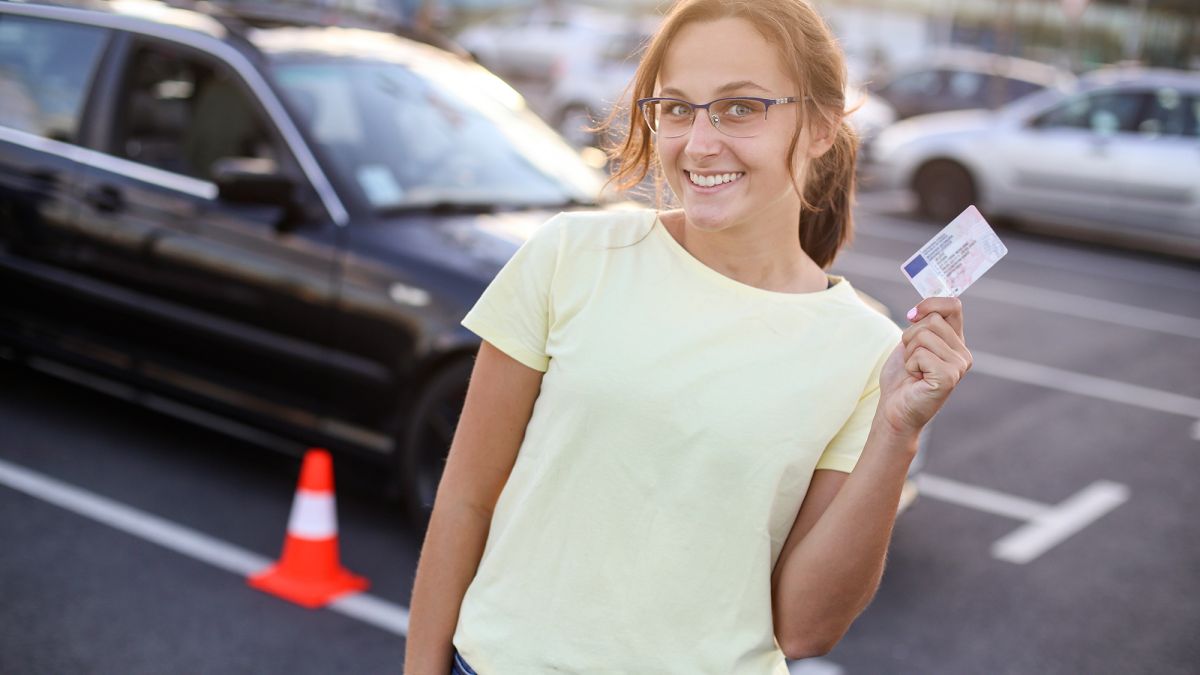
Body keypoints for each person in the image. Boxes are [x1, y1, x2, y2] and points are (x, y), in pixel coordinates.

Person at [404, 1, 973, 673]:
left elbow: (805, 628)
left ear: (821, 126)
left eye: (740, 108)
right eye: (676, 108)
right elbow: (466, 499)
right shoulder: (571, 254)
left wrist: (896, 432)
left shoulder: (867, 351)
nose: (700, 143)